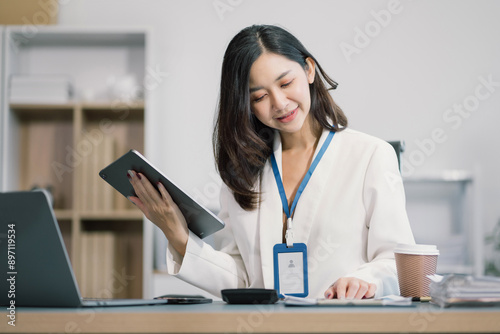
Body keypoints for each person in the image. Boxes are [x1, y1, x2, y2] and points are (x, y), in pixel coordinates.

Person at [128, 24, 415, 299]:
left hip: (339, 322)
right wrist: (177, 235)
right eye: (260, 96)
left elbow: (397, 260)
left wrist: (367, 280)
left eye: (286, 82)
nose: (279, 103)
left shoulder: (371, 155)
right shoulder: (243, 172)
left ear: (309, 70)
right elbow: (242, 280)